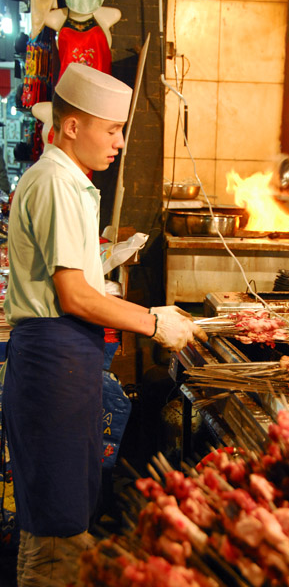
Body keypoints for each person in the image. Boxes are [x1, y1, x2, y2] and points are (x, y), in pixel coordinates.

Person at [2, 62, 207, 587]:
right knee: (55, 535)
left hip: (61, 366)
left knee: (62, 517)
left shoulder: (62, 180)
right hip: (54, 367)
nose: (118, 143)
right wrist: (152, 322)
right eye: (111, 129)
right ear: (73, 126)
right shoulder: (57, 184)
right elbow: (73, 296)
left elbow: (72, 282)